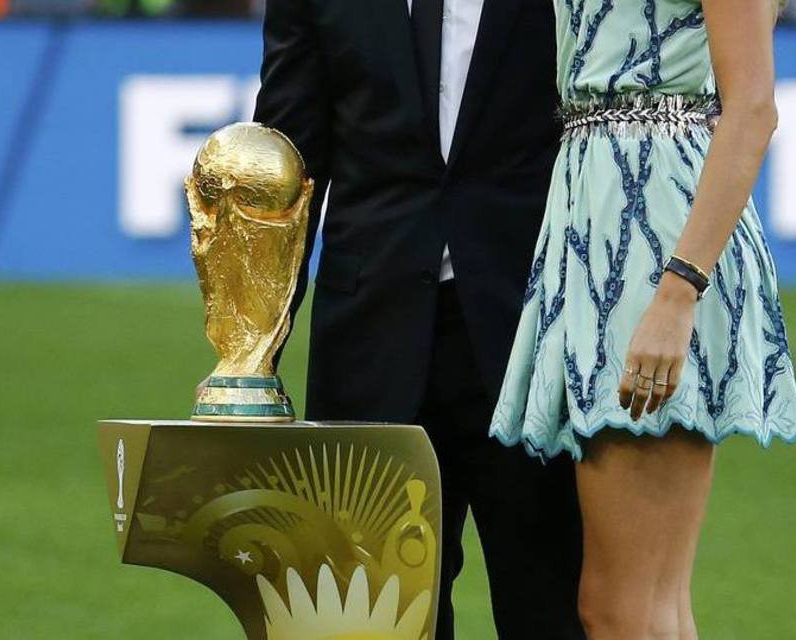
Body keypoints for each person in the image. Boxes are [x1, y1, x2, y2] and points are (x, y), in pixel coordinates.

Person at [253, 1, 585, 638]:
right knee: (377, 618)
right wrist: (255, 351)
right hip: (369, 342)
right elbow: (289, 162)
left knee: (550, 607)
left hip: (534, 340)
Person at [491, 0, 796, 638]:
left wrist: (677, 292)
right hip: (595, 225)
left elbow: (753, 108)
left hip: (660, 236)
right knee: (643, 607)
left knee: (624, 609)